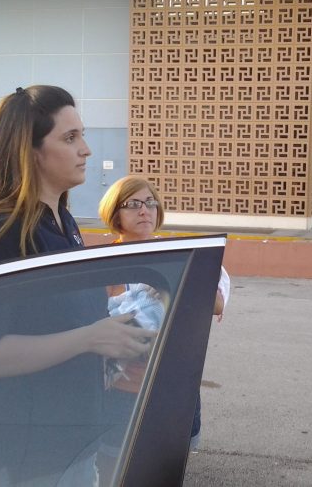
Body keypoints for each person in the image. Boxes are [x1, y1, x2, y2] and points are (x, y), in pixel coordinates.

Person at [0, 85, 155, 486]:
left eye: (82, 135)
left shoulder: (61, 222)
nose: (86, 149)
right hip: (9, 461)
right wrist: (90, 339)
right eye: (70, 138)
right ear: (31, 151)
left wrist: (114, 339)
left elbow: (58, 323)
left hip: (66, 450)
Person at [98, 175, 230, 453]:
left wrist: (175, 283)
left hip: (173, 386)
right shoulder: (102, 263)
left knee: (167, 464)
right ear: (115, 213)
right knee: (117, 464)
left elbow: (216, 304)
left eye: (150, 202)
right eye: (132, 203)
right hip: (122, 394)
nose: (144, 210)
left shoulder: (177, 255)